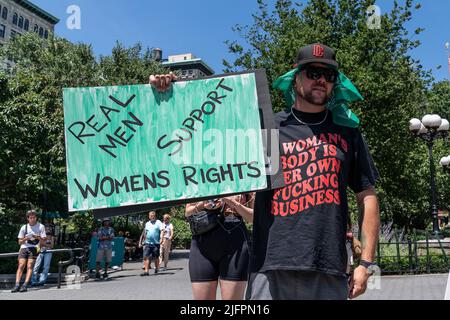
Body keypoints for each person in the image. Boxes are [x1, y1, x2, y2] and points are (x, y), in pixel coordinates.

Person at [149, 43, 380, 300]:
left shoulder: (346, 131)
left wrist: (366, 263)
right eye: (313, 72)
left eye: (329, 75)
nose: (321, 80)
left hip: (327, 268)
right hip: (268, 267)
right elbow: (203, 141)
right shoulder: (269, 129)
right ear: (295, 78)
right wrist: (170, 95)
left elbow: (367, 196)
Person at [184, 194, 254, 300]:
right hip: (202, 242)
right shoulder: (199, 178)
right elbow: (188, 212)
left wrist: (234, 204)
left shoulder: (245, 180)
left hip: (235, 243)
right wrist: (203, 205)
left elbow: (253, 217)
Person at [12, 210, 46, 293]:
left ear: (36, 217)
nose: (33, 219)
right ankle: (17, 285)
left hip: (34, 248)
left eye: (34, 217)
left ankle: (25, 285)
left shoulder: (41, 226)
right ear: (28, 218)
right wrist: (26, 238)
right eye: (31, 217)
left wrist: (38, 237)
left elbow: (43, 242)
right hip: (24, 247)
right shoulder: (24, 227)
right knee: (21, 265)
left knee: (30, 266)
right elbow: (19, 242)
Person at [140, 211, 164, 276]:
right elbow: (145, 232)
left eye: (152, 215)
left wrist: (161, 238)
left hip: (156, 243)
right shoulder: (147, 223)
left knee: (156, 257)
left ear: (155, 216)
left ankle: (156, 268)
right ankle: (146, 271)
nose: (151, 216)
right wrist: (143, 241)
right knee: (146, 256)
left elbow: (162, 230)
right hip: (147, 243)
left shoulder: (158, 222)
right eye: (150, 215)